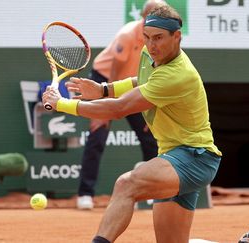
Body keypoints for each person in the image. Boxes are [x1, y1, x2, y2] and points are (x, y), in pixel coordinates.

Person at [43, 4, 249, 243]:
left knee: (127, 184)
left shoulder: (178, 75)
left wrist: (61, 104)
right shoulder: (151, 55)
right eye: (147, 38)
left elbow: (118, 109)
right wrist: (104, 88)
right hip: (176, 155)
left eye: (158, 38)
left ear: (176, 37)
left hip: (195, 157)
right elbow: (142, 79)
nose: (151, 45)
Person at [75, 0, 161, 210]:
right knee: (97, 134)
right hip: (103, 80)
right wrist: (106, 105)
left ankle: (152, 192)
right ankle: (85, 194)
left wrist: (152, 110)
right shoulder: (127, 35)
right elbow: (114, 73)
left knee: (150, 137)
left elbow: (157, 76)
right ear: (145, 18)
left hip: (133, 83)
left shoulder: (161, 40)